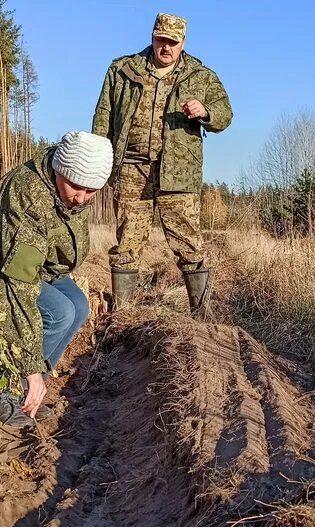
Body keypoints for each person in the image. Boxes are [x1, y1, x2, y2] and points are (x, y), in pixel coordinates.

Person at [0, 131, 113, 428]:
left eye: (91, 191)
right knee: (58, 314)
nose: (81, 198)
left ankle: (27, 393)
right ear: (60, 170)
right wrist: (31, 368)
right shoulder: (27, 193)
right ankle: (3, 395)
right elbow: (15, 284)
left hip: (36, 266)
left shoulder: (71, 188)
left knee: (78, 305)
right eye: (76, 187)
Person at [93, 12, 233, 318]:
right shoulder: (122, 70)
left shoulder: (200, 75)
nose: (165, 47)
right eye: (161, 40)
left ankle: (202, 314)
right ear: (152, 37)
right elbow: (103, 118)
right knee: (127, 241)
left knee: (188, 242)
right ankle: (123, 314)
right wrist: (97, 162)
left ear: (183, 42)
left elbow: (225, 115)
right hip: (131, 168)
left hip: (178, 174)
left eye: (173, 42)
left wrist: (205, 111)